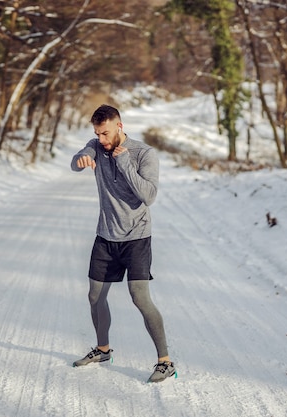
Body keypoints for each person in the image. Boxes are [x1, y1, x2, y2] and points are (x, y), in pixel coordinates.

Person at [70, 104, 176, 383]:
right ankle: (103, 350)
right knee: (94, 296)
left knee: (140, 298)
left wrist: (124, 163)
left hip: (136, 237)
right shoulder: (96, 146)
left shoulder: (144, 153)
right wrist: (82, 156)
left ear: (119, 125)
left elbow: (149, 195)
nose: (102, 139)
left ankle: (165, 362)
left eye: (105, 133)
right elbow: (77, 160)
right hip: (105, 235)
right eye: (97, 133)